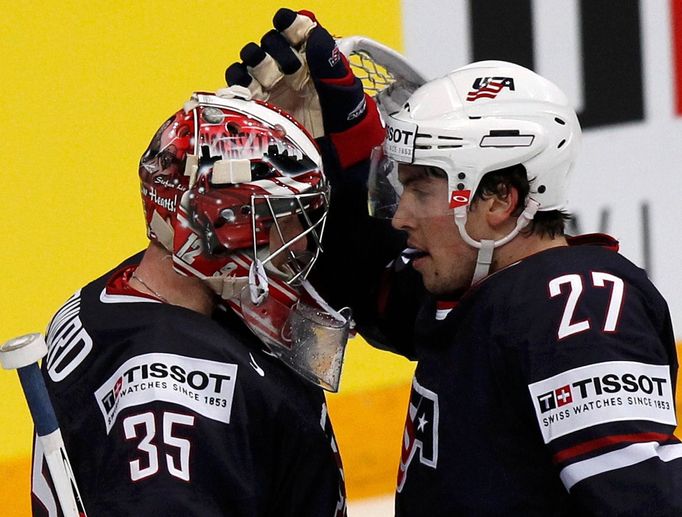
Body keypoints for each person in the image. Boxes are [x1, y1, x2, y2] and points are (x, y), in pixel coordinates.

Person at [30, 11, 386, 515]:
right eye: (288, 219)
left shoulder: (130, 294)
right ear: (223, 225)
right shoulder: (169, 396)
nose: (304, 246)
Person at [314, 60, 682, 513]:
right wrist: (346, 132)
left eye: (421, 190)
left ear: (499, 198)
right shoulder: (479, 289)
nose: (400, 216)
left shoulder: (573, 303)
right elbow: (374, 290)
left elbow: (644, 502)